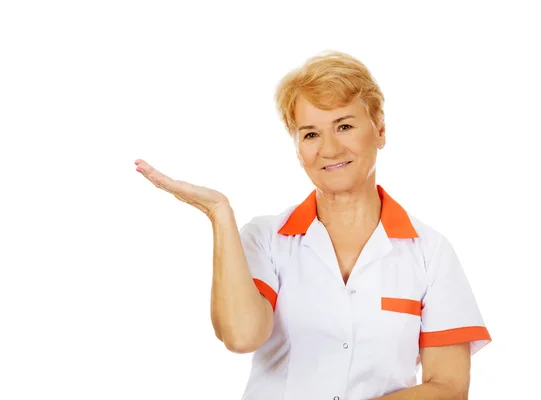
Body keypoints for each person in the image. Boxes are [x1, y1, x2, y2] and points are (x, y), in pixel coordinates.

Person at [134, 50, 491, 400]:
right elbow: (241, 337)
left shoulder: (430, 252)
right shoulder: (266, 239)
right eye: (310, 134)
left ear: (380, 130)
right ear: (297, 148)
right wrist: (219, 214)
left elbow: (448, 387)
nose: (330, 148)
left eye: (345, 126)